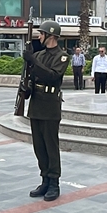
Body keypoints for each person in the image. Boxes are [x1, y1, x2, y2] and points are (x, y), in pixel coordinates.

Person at [22, 21, 69, 201]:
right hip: (36, 103)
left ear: (50, 35)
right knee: (39, 145)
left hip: (50, 104)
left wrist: (33, 60)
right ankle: (44, 178)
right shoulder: (40, 54)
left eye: (41, 34)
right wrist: (27, 87)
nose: (38, 37)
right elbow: (33, 77)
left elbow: (52, 76)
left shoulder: (62, 56)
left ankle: (54, 182)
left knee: (50, 145)